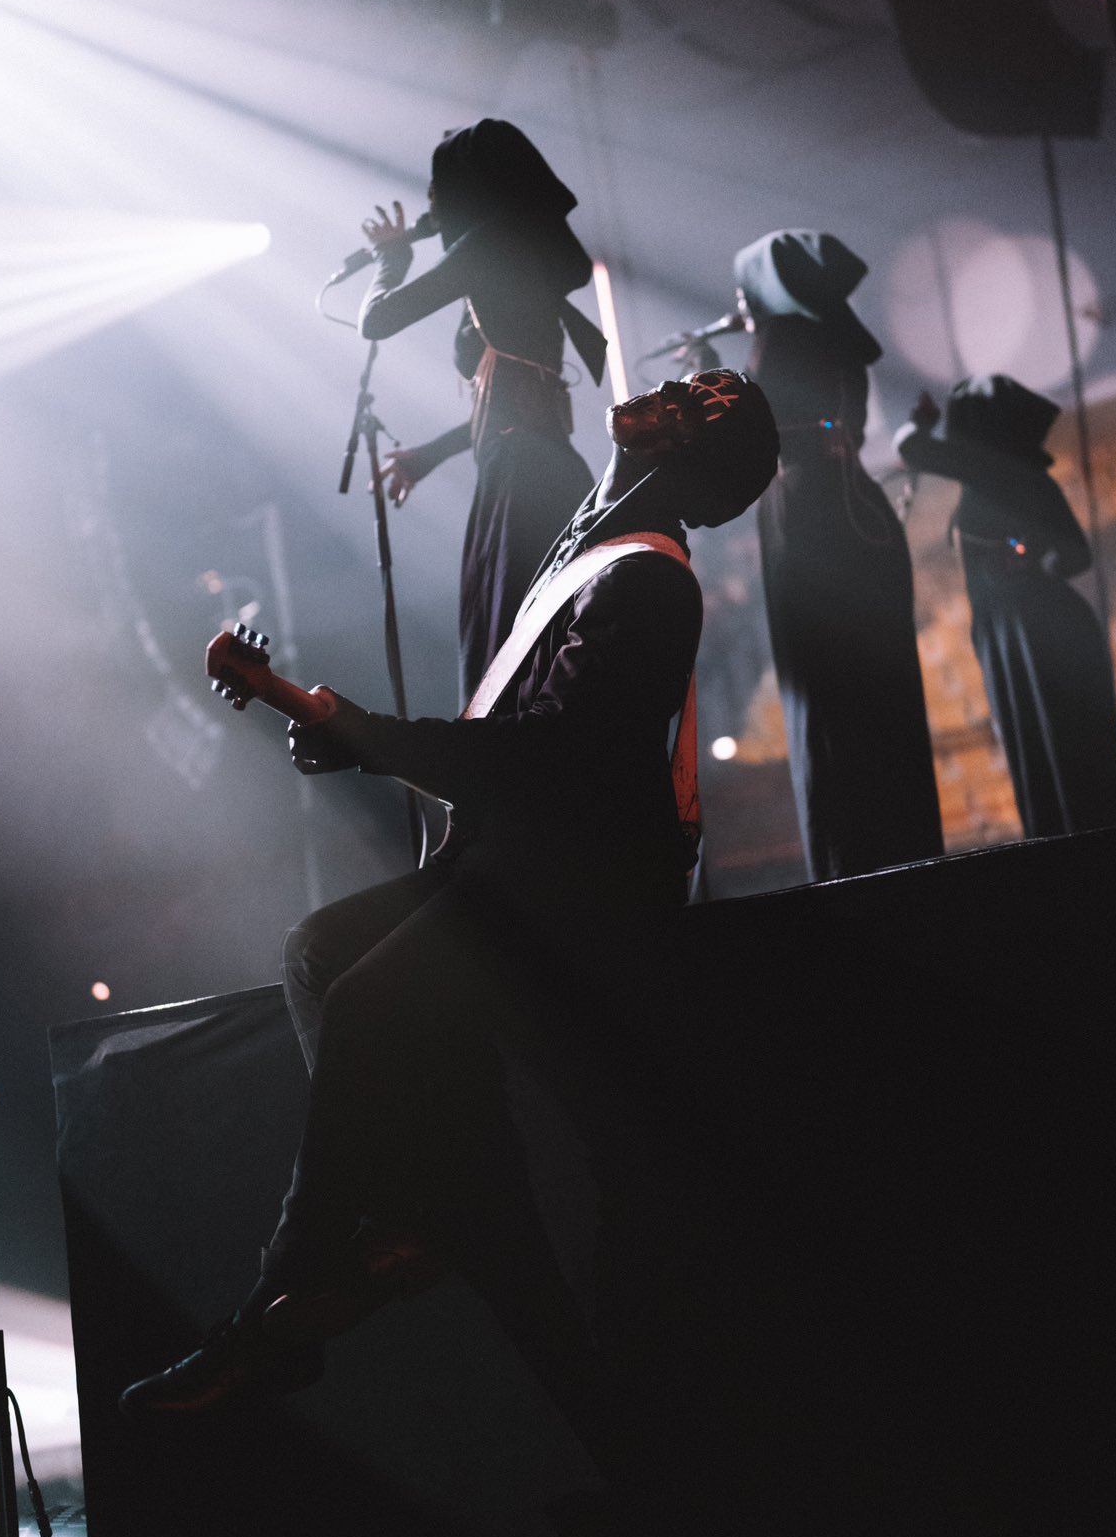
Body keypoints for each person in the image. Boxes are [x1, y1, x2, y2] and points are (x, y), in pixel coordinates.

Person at [120, 369, 779, 1433]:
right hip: (514, 862)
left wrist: (368, 737)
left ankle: (289, 1290)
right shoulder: (589, 547)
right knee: (317, 950)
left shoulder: (650, 581)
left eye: (696, 398)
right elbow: (514, 745)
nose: (667, 382)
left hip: (576, 892)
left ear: (689, 451)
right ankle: (407, 1215)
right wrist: (355, 741)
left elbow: (551, 764)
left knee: (369, 1002)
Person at [359, 118, 608, 704]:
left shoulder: (488, 247)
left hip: (519, 485)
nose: (430, 204)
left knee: (511, 662)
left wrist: (390, 258)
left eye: (437, 190)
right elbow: (513, 401)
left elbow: (377, 320)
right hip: (536, 466)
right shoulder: (520, 252)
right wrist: (432, 454)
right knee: (538, 656)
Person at [732, 229, 943, 881]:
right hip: (854, 511)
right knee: (877, 700)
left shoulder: (780, 341)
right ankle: (903, 847)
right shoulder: (832, 336)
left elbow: (751, 433)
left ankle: (852, 863)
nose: (739, 304)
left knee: (828, 698)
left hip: (810, 517)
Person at [895, 375, 1116, 839]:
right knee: (1059, 744)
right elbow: (1075, 556)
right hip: (1025, 627)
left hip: (1029, 632)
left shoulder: (992, 470)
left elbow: (910, 448)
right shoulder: (1024, 477)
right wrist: (1033, 558)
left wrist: (919, 423)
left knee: (1052, 742)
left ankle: (1079, 848)